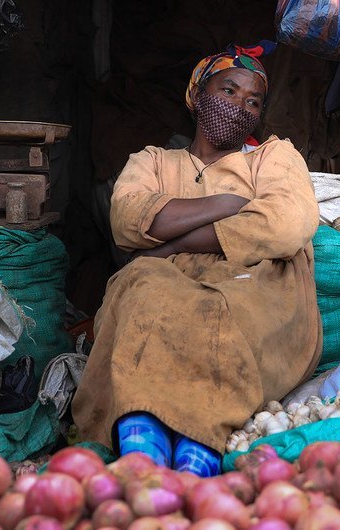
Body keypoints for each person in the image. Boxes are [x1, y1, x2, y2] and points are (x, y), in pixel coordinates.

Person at [72, 42, 322, 477]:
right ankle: (142, 436)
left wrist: (170, 245)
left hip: (254, 282)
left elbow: (285, 224)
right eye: (228, 91)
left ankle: (197, 445)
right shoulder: (152, 160)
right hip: (161, 278)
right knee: (144, 289)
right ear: (196, 95)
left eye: (253, 101)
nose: (241, 106)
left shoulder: (274, 156)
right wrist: (229, 202)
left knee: (219, 312)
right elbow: (128, 219)